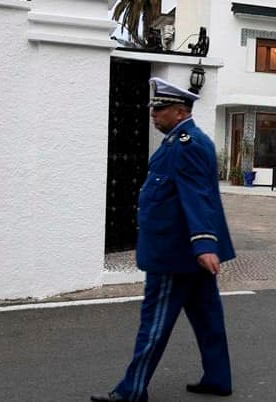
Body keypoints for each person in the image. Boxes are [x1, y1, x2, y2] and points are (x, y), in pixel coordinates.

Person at [92, 77, 236, 401]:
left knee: (154, 324)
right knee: (207, 317)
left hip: (176, 254)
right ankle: (218, 378)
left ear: (180, 111)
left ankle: (132, 391)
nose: (152, 114)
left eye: (159, 109)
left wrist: (203, 243)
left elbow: (198, 196)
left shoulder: (188, 144)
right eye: (153, 108)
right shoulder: (177, 142)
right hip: (183, 252)